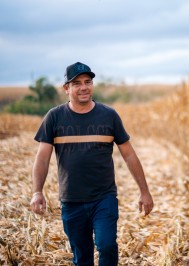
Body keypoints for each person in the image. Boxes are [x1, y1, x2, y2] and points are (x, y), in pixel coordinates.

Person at [29, 62, 154, 265]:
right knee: (82, 257)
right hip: (71, 201)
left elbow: (129, 155)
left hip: (103, 198)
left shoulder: (109, 115)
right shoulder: (54, 117)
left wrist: (144, 191)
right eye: (77, 83)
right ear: (66, 88)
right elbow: (42, 158)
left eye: (88, 82)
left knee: (106, 245)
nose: (84, 87)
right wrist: (37, 191)